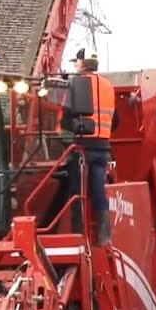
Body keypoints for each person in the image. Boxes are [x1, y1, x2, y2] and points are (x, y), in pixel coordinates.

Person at [62, 48, 119, 244]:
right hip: (103, 148)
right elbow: (115, 120)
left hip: (82, 149)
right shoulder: (108, 86)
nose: (75, 66)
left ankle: (79, 235)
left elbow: (65, 119)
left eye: (76, 63)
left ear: (82, 65)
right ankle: (104, 236)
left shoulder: (76, 84)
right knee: (98, 191)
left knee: (77, 193)